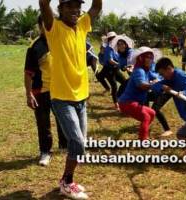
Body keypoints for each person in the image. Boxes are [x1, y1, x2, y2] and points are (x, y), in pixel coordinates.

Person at [39, 0, 102, 199]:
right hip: (61, 98)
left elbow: (97, 6)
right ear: (60, 9)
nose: (75, 10)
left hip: (81, 97)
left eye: (77, 6)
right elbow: (43, 3)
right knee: (77, 141)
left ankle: (67, 180)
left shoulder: (83, 24)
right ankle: (67, 183)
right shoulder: (53, 27)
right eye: (69, 6)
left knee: (80, 144)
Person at [24, 16, 67, 167]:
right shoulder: (35, 46)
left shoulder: (61, 41)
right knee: (43, 123)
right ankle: (45, 152)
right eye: (44, 24)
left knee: (63, 119)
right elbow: (28, 72)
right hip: (40, 91)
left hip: (60, 90)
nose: (48, 27)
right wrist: (29, 94)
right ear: (40, 26)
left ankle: (64, 145)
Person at [118, 47, 159, 141]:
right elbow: (141, 85)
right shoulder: (139, 71)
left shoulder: (146, 70)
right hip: (127, 102)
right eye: (147, 57)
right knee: (146, 117)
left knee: (152, 113)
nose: (150, 59)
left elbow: (157, 77)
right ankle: (143, 139)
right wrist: (153, 85)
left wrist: (159, 80)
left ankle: (143, 130)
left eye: (151, 57)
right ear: (141, 58)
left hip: (134, 102)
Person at [102, 32, 127, 111]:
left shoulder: (116, 48)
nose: (115, 39)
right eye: (113, 38)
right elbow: (110, 60)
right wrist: (119, 64)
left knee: (125, 82)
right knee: (114, 86)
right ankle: (116, 104)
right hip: (108, 70)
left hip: (115, 69)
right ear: (110, 39)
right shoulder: (108, 48)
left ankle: (119, 98)